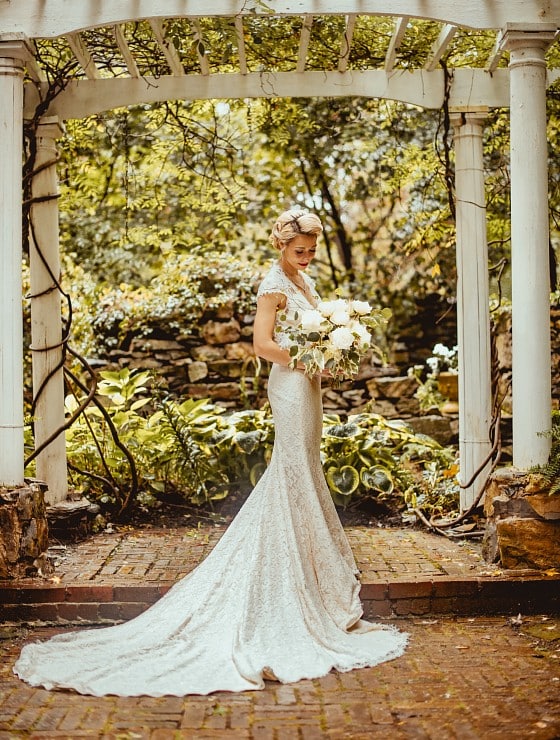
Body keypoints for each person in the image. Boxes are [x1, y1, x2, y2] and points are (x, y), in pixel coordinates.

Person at [13, 208, 407, 697]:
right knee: (292, 473)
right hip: (288, 385)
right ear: (281, 246)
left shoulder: (303, 281)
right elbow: (263, 345)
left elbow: (308, 336)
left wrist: (326, 358)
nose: (306, 257)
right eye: (299, 250)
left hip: (308, 387)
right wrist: (309, 358)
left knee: (303, 470)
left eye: (311, 250)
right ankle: (288, 587)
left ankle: (309, 582)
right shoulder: (273, 285)